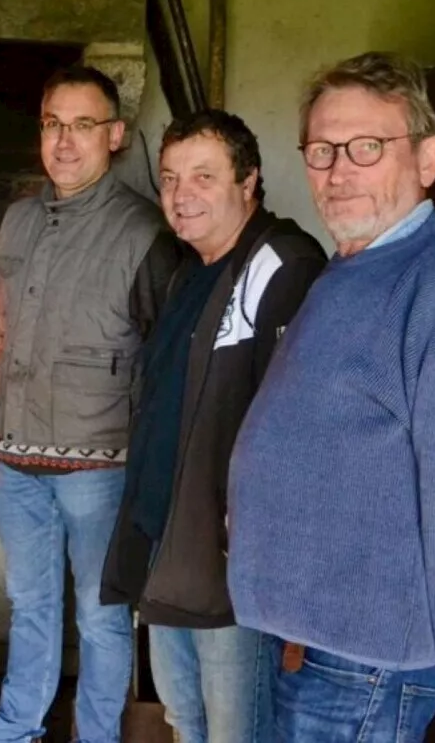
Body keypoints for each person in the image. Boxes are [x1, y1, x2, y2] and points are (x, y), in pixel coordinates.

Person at [227, 52, 435, 741]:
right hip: (306, 646)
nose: (338, 171)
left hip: (365, 669)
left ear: (428, 159)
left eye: (367, 147)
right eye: (321, 149)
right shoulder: (352, 268)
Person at [101, 110, 326, 743]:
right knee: (185, 720)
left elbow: (294, 423)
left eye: (204, 175)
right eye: (170, 178)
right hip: (165, 543)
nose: (180, 195)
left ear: (248, 181)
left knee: (235, 732)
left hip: (228, 567)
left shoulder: (283, 265)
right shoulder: (187, 269)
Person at [0, 65, 181, 743]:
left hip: (100, 468)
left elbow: (166, 359)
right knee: (29, 606)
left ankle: (95, 736)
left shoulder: (143, 232)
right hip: (13, 458)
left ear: (116, 135)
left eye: (83, 124)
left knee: (101, 614)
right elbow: (8, 327)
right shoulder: (18, 221)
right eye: (52, 123)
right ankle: (17, 727)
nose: (65, 141)